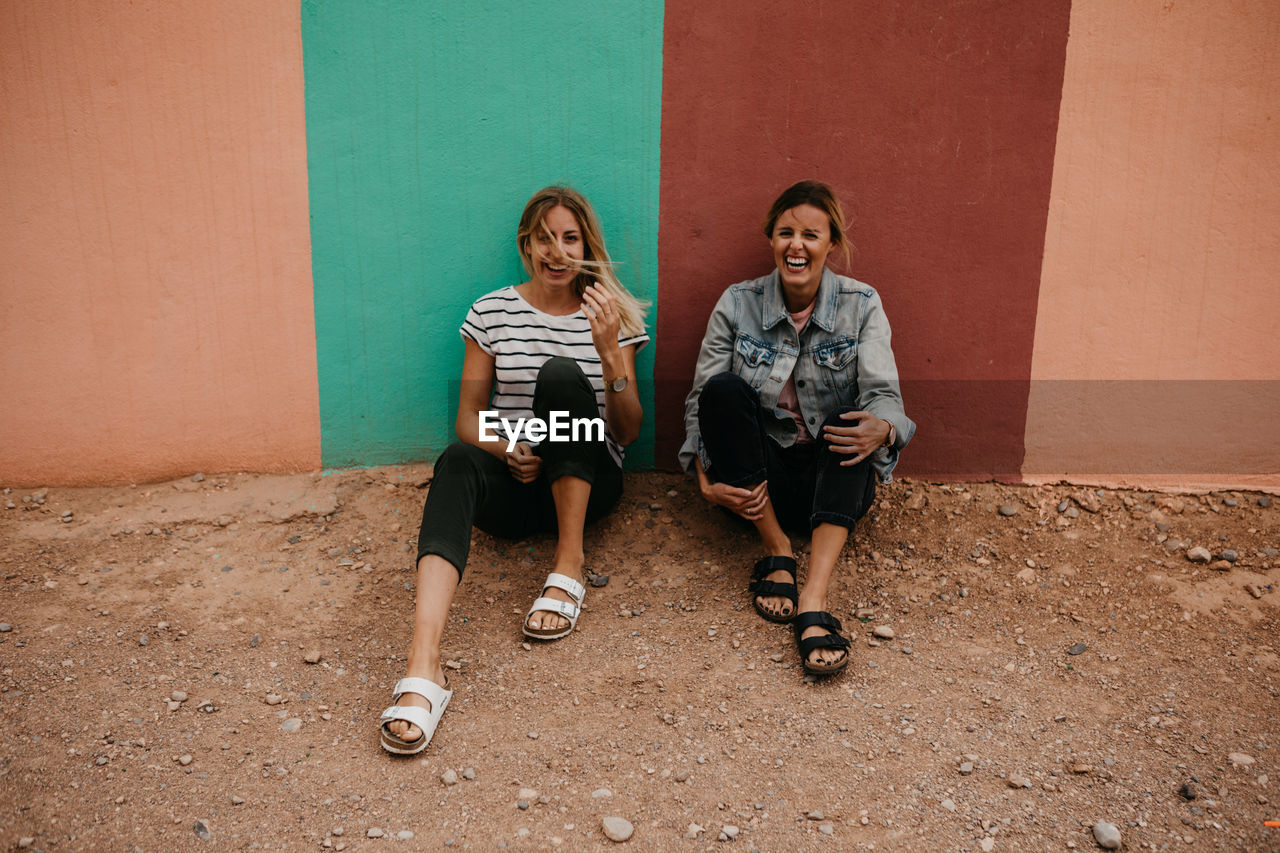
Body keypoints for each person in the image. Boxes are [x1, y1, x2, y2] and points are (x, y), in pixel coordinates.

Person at [379, 186, 649, 755]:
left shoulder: (612, 311)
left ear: (586, 245)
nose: (557, 250)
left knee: (559, 376)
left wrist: (606, 354)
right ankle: (424, 668)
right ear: (526, 245)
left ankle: (568, 567)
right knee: (455, 461)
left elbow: (626, 432)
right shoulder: (493, 310)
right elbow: (468, 421)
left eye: (569, 238)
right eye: (544, 238)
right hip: (518, 483)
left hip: (588, 481)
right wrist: (509, 448)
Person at [680, 180, 914, 675]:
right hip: (756, 485)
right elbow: (702, 401)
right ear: (771, 239)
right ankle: (778, 550)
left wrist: (884, 430)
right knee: (722, 391)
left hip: (833, 484)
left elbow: (885, 398)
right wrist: (702, 473)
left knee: (850, 420)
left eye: (811, 234)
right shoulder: (738, 303)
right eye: (786, 232)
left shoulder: (862, 303)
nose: (797, 245)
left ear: (831, 244)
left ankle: (813, 597)